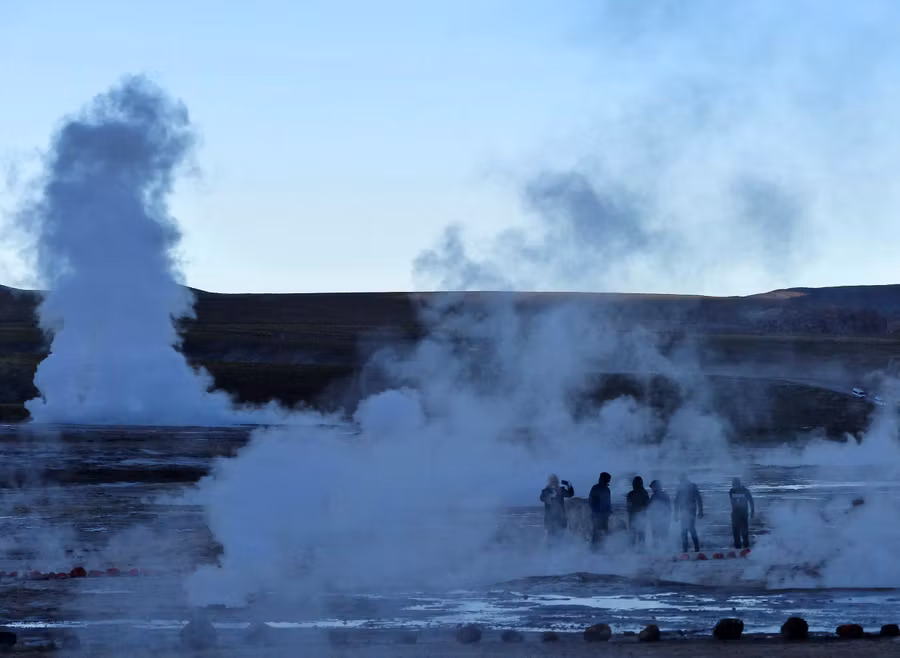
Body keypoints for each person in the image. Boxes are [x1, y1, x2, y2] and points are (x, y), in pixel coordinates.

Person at [674, 473, 703, 553]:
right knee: (687, 530)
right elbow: (676, 501)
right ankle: (690, 549)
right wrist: (700, 511)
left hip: (689, 511)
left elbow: (698, 498)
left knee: (688, 529)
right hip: (687, 511)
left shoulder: (689, 486)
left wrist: (701, 511)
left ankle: (689, 549)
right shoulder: (687, 486)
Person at [540, 474, 574, 541]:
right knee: (551, 540)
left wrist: (568, 485)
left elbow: (570, 494)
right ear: (550, 482)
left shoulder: (561, 490)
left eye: (556, 481)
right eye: (553, 481)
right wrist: (549, 496)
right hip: (550, 521)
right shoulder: (546, 491)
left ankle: (559, 551)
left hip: (561, 519)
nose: (555, 483)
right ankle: (550, 551)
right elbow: (542, 498)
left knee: (560, 539)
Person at [729, 477, 755, 549]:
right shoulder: (732, 491)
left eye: (735, 484)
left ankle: (746, 545)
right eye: (733, 485)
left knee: (744, 530)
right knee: (735, 530)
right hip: (735, 513)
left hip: (743, 513)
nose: (734, 486)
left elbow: (751, 501)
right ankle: (737, 546)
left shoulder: (745, 491)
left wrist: (752, 511)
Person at [588, 472, 612, 547]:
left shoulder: (600, 488)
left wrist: (608, 511)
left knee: (601, 531)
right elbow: (591, 501)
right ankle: (596, 547)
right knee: (598, 531)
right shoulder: (602, 489)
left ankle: (599, 547)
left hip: (601, 514)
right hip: (598, 514)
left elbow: (608, 502)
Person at [626, 476, 650, 547]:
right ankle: (641, 548)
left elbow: (628, 506)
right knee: (640, 533)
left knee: (634, 533)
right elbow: (647, 505)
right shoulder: (644, 493)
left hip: (634, 516)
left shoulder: (631, 494)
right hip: (640, 515)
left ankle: (633, 547)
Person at [648, 480, 672, 549]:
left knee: (658, 536)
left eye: (652, 488)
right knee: (661, 536)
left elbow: (650, 508)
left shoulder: (654, 497)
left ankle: (659, 550)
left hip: (660, 520)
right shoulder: (665, 495)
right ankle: (661, 550)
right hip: (661, 519)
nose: (652, 489)